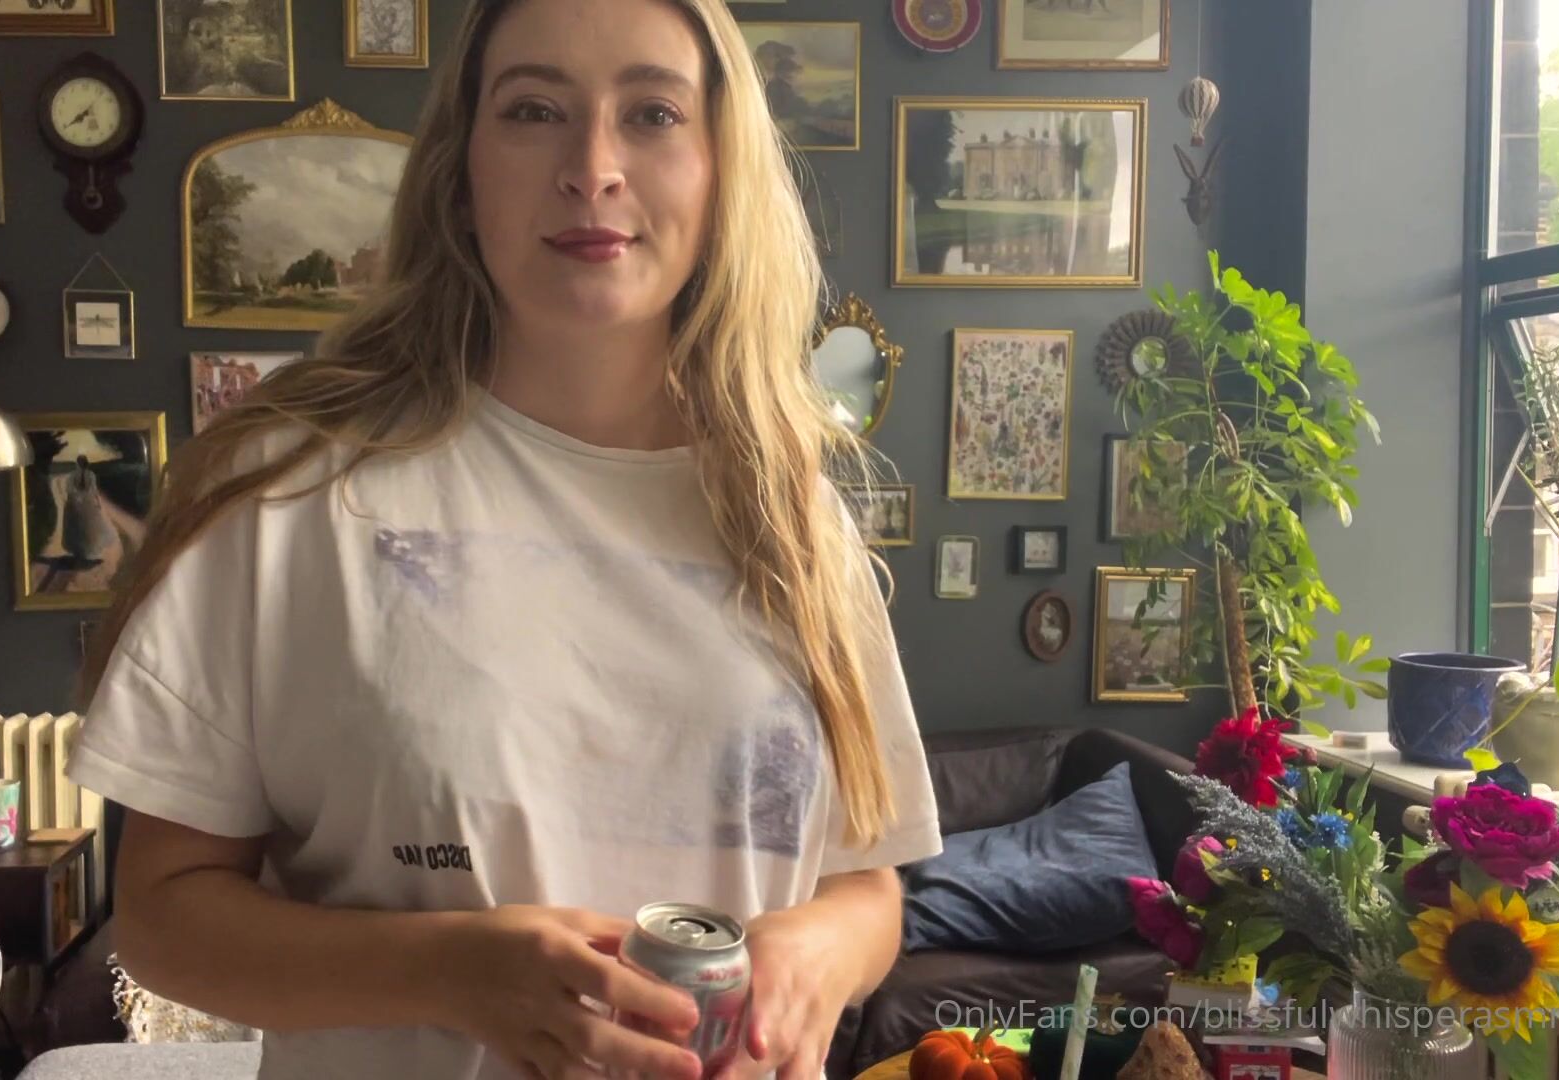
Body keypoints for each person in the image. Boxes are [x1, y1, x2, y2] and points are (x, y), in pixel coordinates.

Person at [64, 1, 942, 1078]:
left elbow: (865, 884)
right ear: (461, 170)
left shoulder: (793, 517)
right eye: (534, 111)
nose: (593, 169)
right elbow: (161, 919)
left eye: (654, 113)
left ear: (722, 172)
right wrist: (447, 973)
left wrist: (820, 953)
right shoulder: (289, 490)